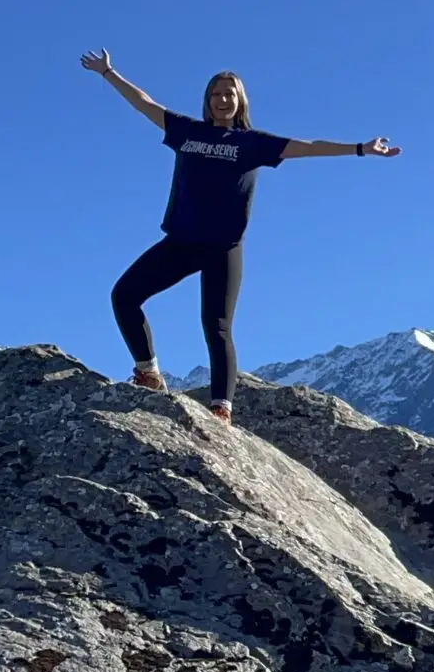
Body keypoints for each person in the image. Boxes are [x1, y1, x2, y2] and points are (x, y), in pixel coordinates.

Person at [81, 49, 399, 421]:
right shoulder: (187, 131)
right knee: (124, 295)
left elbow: (309, 147)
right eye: (216, 93)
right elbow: (144, 104)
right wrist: (108, 73)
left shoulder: (252, 144)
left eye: (229, 93)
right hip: (182, 241)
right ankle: (148, 372)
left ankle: (221, 409)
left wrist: (361, 149)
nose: (222, 99)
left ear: (240, 100)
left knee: (217, 327)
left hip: (223, 248)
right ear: (208, 100)